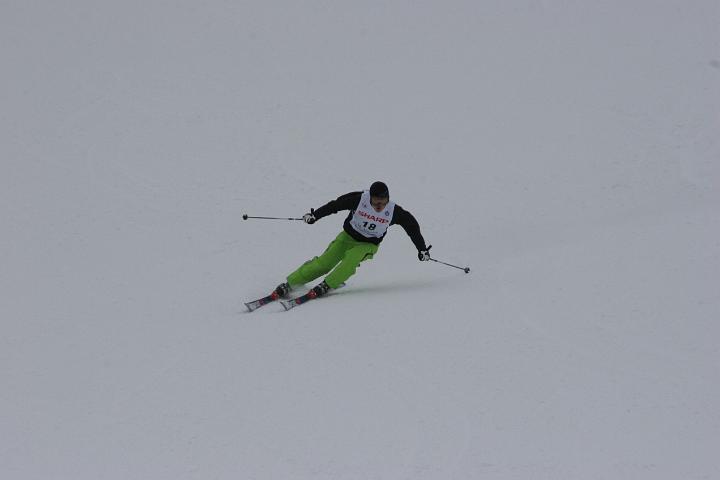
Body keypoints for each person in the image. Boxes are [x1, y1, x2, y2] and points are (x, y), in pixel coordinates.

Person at [274, 181, 432, 299]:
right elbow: (335, 205)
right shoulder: (359, 200)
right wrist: (315, 215)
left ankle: (328, 284)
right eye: (376, 201)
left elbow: (412, 227)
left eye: (383, 202)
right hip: (347, 237)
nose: (379, 206)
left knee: (351, 259)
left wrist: (422, 249)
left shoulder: (393, 211)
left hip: (368, 245)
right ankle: (291, 283)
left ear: (387, 199)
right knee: (324, 263)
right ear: (370, 198)